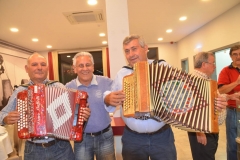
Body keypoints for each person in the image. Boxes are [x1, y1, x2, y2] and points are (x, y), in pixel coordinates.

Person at [0, 53, 91, 160]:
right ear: (27, 68)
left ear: (47, 68)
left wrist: (82, 114)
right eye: (34, 64)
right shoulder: (20, 91)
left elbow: (74, 112)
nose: (39, 68)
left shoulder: (58, 87)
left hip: (61, 146)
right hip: (33, 149)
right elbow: (2, 115)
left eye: (43, 64)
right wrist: (6, 118)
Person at [104, 34, 177, 160]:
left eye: (134, 49)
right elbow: (110, 97)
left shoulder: (162, 67)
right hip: (133, 138)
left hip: (162, 137)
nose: (131, 54)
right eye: (127, 51)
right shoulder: (122, 73)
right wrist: (108, 99)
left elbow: (179, 92)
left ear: (145, 48)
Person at [65, 52, 116, 160]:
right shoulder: (68, 88)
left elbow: (118, 99)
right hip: (81, 139)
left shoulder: (107, 82)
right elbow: (64, 115)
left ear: (93, 67)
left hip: (105, 136)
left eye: (88, 65)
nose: (85, 68)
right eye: (80, 65)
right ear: (74, 69)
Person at [187, 52, 232, 160]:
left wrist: (229, 97)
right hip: (203, 131)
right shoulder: (194, 80)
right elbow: (190, 108)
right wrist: (199, 131)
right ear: (204, 64)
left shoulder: (205, 80)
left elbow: (210, 101)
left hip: (209, 129)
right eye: (213, 63)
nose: (214, 66)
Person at [218, 45, 240, 160]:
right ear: (231, 57)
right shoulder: (225, 71)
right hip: (233, 112)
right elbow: (221, 90)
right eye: (235, 54)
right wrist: (236, 83)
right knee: (233, 144)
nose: (238, 56)